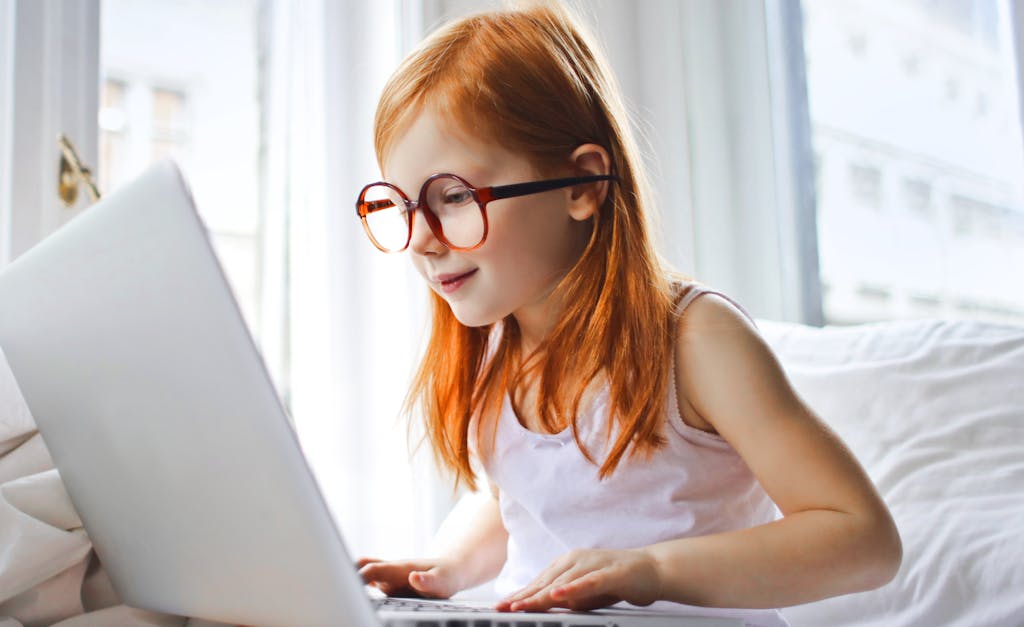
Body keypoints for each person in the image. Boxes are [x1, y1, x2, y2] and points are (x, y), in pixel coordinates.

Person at [353, 3, 901, 626]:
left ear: (583, 186)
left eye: (452, 197)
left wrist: (654, 571)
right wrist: (442, 570)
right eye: (400, 205)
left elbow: (863, 539)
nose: (422, 239)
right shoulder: (500, 348)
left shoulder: (696, 340)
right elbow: (518, 497)